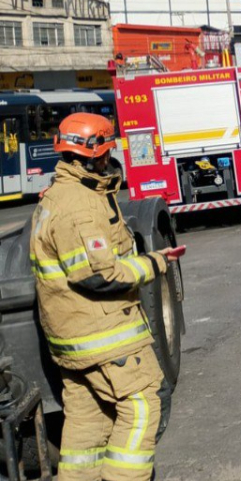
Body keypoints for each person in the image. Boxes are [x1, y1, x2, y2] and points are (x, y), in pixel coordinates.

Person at [29, 113, 182, 481]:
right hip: (103, 338)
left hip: (73, 341)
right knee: (143, 405)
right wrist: (154, 264)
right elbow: (98, 276)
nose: (110, 158)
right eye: (107, 151)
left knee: (87, 422)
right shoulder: (80, 206)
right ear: (94, 154)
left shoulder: (59, 195)